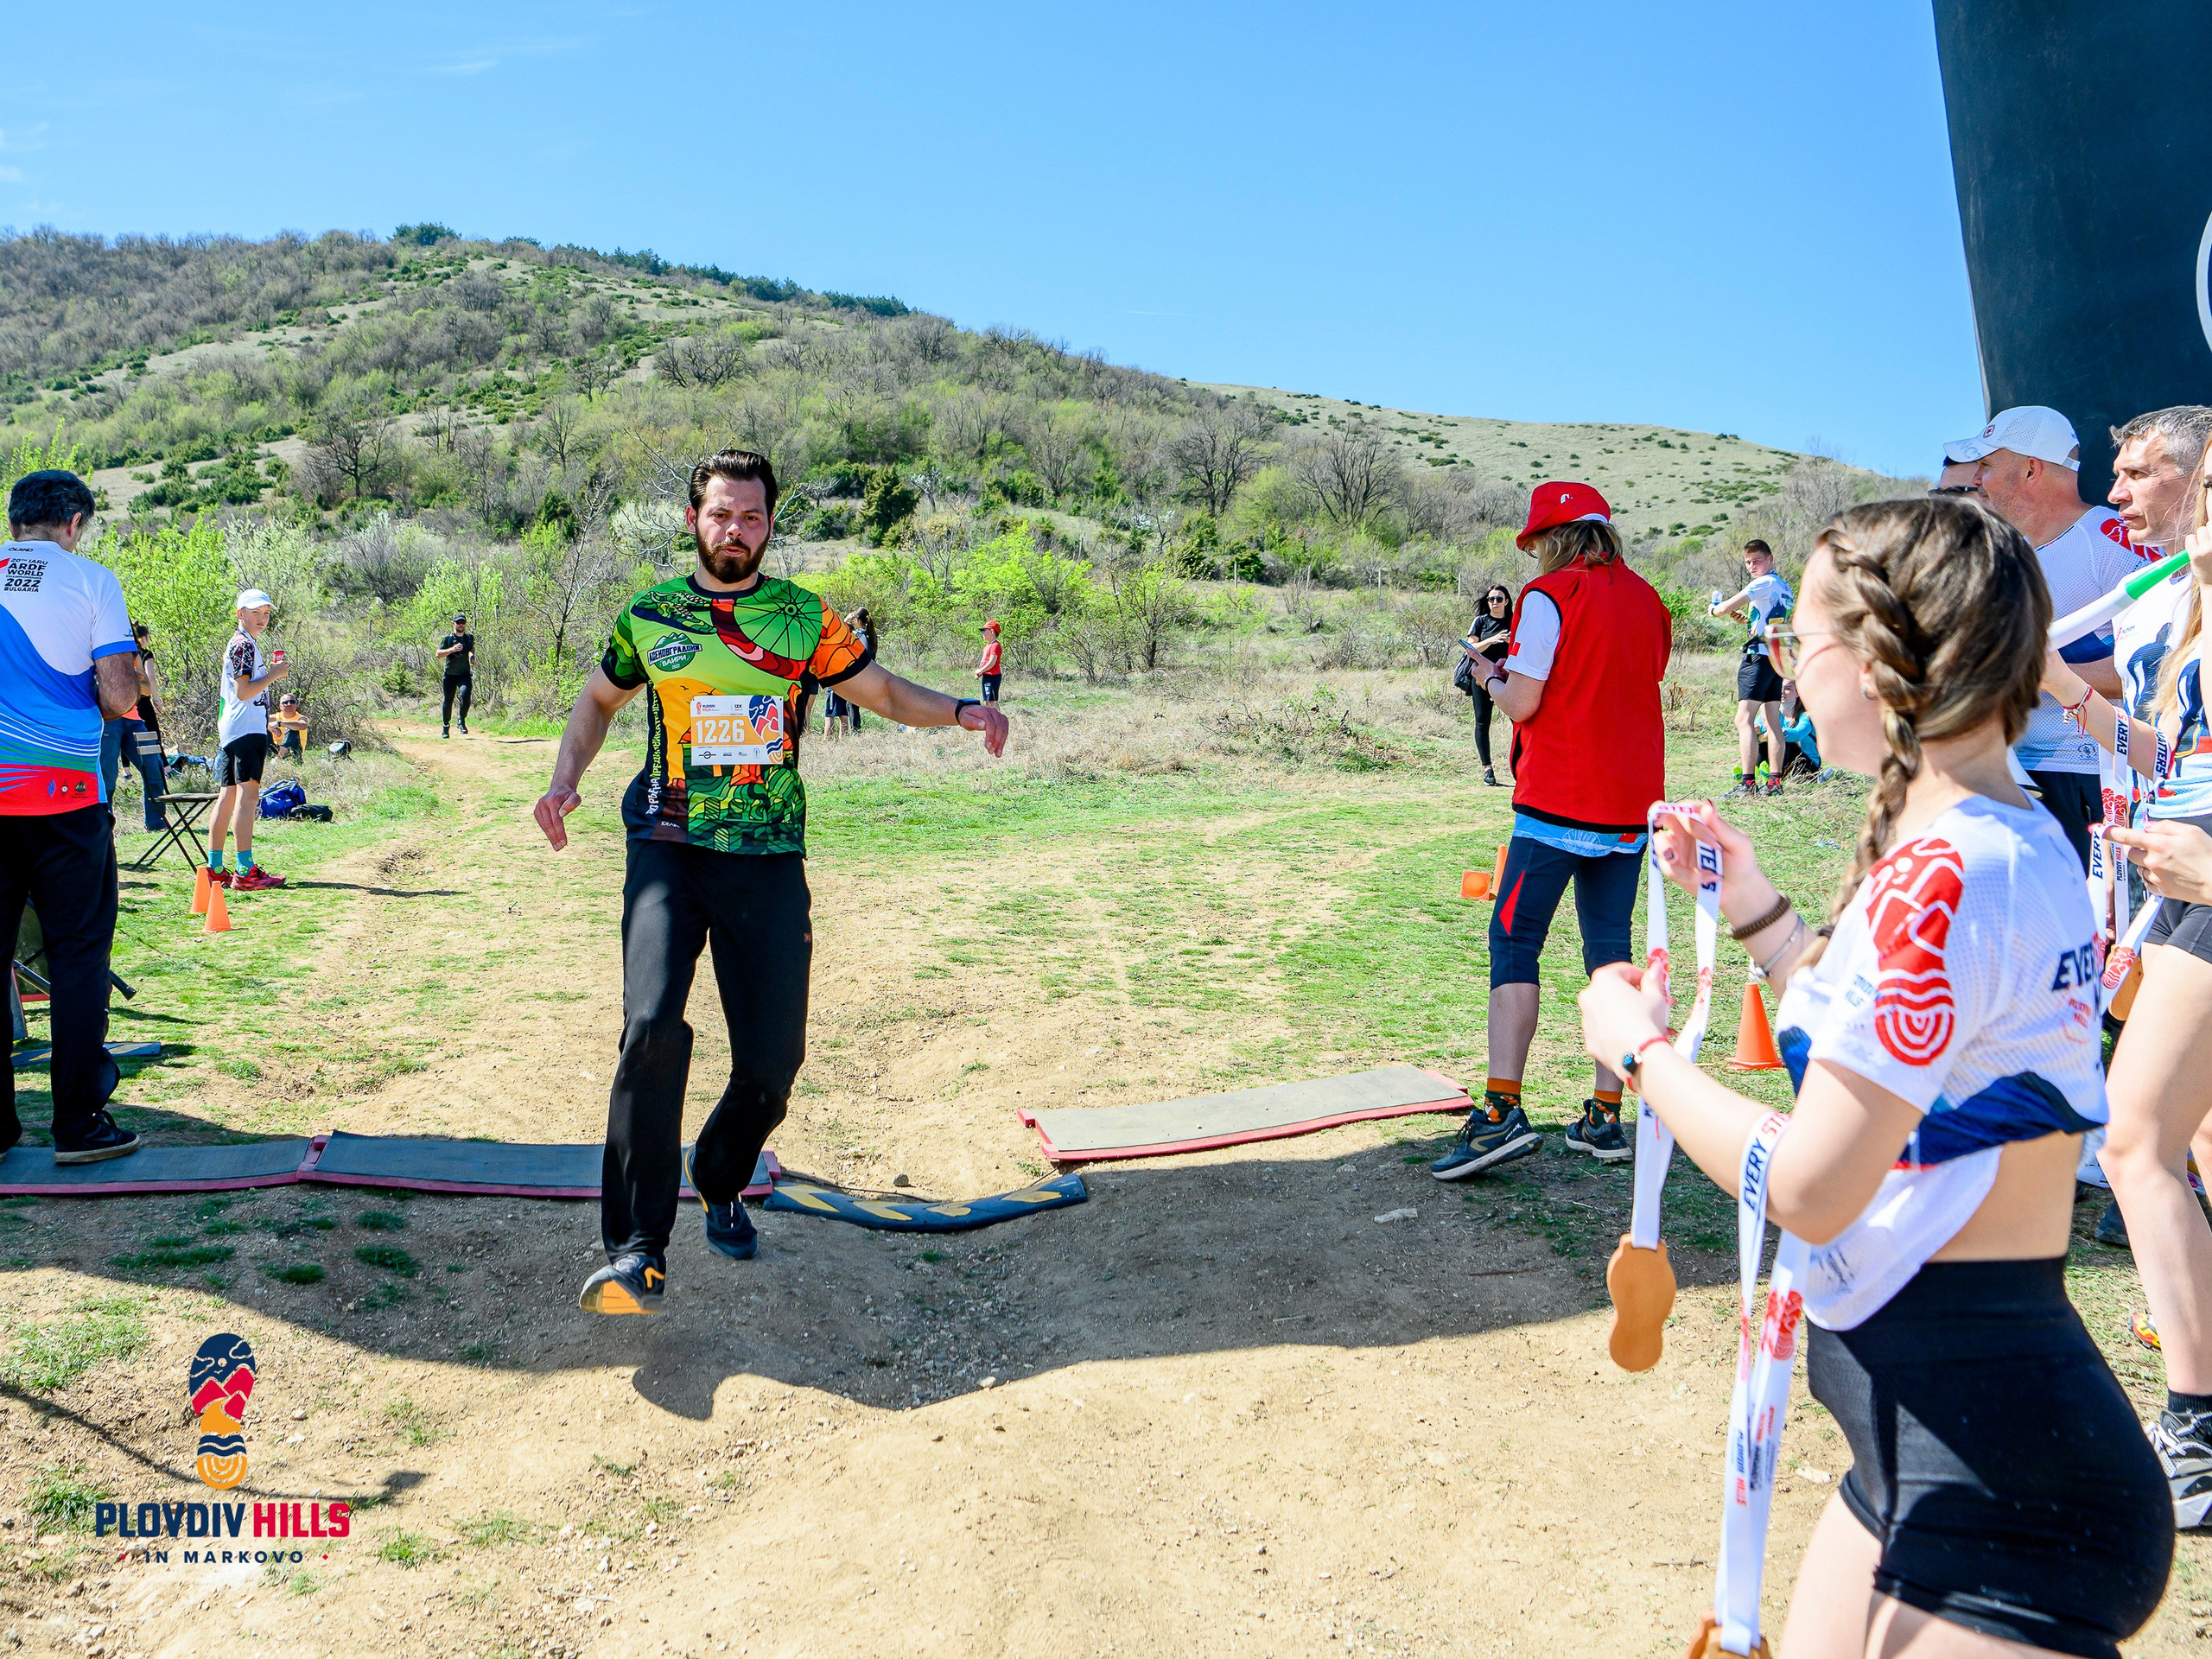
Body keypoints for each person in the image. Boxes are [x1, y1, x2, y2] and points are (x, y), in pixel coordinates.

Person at [1581, 494, 2171, 1656]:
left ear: (1871, 661)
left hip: (2003, 1504)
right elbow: (1894, 1059)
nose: (1786, 668)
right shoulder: (2004, 840)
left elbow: (1812, 1185)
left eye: (1797, 640)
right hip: (1934, 1463)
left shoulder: (1949, 871)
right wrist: (1756, 908)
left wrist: (1639, 1052)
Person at [533, 450, 1010, 1316]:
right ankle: (637, 1251)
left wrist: (960, 710)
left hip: (767, 853)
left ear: (768, 525)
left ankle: (719, 1176)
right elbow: (597, 701)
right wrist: (566, 780)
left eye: (751, 517)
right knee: (650, 1026)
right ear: (693, 520)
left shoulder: (800, 616)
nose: (735, 530)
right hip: (668, 844)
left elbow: (878, 690)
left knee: (772, 1063)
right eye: (721, 514)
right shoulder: (651, 615)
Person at [2043, 459, 2212, 1529]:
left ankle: (2196, 1434)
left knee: (2135, 1138)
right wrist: (2056, 683)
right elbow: (2165, 757)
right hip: (2181, 876)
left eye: (2147, 473)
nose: (2122, 492)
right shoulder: (2182, 610)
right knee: (2176, 1136)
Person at [1430, 482, 1670, 1179]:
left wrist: (1490, 678)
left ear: (1553, 539)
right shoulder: (1650, 600)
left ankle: (1500, 1112)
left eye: (1535, 542)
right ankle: (1604, 1116)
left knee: (1514, 939)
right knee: (1610, 955)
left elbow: (1526, 703)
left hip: (1560, 797)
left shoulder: (1547, 596)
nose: (1532, 554)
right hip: (1629, 802)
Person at [0, 470, 144, 1164]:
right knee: (79, 957)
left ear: (14, 520)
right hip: (65, 800)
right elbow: (119, 699)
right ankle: (79, 1125)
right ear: (75, 522)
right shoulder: (91, 580)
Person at [1947, 404, 2138, 871]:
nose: (1978, 479)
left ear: (2031, 469)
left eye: (1987, 465)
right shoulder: (2000, 553)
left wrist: (2027, 676)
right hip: (2013, 770)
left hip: (2094, 772)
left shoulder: (2112, 542)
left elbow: (2158, 666)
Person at [207, 589, 287, 891]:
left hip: (235, 727)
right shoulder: (243, 644)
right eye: (255, 613)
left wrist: (265, 721)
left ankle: (215, 868)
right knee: (247, 796)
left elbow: (241, 695)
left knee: (228, 795)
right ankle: (245, 870)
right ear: (240, 614)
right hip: (244, 730)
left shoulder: (242, 642)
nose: (262, 618)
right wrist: (274, 675)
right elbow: (243, 691)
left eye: (266, 613)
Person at [1710, 538, 1793, 796]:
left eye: (1757, 561)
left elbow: (1723, 608)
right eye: (1748, 562)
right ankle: (1775, 783)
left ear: (1770, 559)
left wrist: (1714, 609)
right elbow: (1772, 621)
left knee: (1744, 719)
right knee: (1772, 721)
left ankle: (1747, 783)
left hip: (1757, 658)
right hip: (1777, 658)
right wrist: (1748, 621)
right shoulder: (1784, 586)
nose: (1752, 566)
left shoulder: (1762, 583)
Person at [1458, 583, 1513, 785]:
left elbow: (1525, 646)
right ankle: (1487, 769)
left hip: (1509, 676)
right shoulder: (1480, 621)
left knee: (1518, 720)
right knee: (1482, 722)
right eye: (1491, 599)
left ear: (1506, 601)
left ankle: (1521, 765)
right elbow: (1470, 648)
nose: (1495, 602)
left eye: (1499, 599)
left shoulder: (1515, 620)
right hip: (1481, 677)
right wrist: (1492, 640)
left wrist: (1510, 641)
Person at [123, 621, 168, 833]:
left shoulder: (136, 653)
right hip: (109, 720)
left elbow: (146, 687)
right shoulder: (100, 649)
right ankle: (103, 828)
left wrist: (138, 682)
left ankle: (155, 822)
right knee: (107, 776)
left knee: (154, 766)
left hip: (135, 718)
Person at [438, 613, 474, 737]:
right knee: (448, 701)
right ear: (453, 624)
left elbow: (471, 649)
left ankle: (461, 720)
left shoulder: (469, 638)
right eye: (458, 622)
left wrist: (472, 657)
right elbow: (438, 654)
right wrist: (452, 649)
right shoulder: (448, 639)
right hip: (450, 675)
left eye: (463, 622)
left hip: (464, 674)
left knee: (466, 696)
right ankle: (446, 727)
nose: (461, 625)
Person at [270, 694, 308, 761]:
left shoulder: (302, 718)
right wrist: (270, 728)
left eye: (292, 702)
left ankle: (278, 758)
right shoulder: (276, 717)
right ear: (280, 706)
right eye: (285, 702)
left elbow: (303, 725)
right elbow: (257, 721)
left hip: (293, 751)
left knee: (293, 729)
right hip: (275, 749)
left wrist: (279, 724)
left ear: (296, 705)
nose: (289, 704)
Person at [976, 620, 1003, 703]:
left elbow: (992, 662)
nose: (982, 633)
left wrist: (981, 670)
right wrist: (980, 672)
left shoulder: (995, 646)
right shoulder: (988, 646)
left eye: (984, 631)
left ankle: (996, 713)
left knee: (992, 702)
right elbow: (985, 661)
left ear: (991, 632)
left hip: (993, 676)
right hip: (987, 676)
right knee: (987, 702)